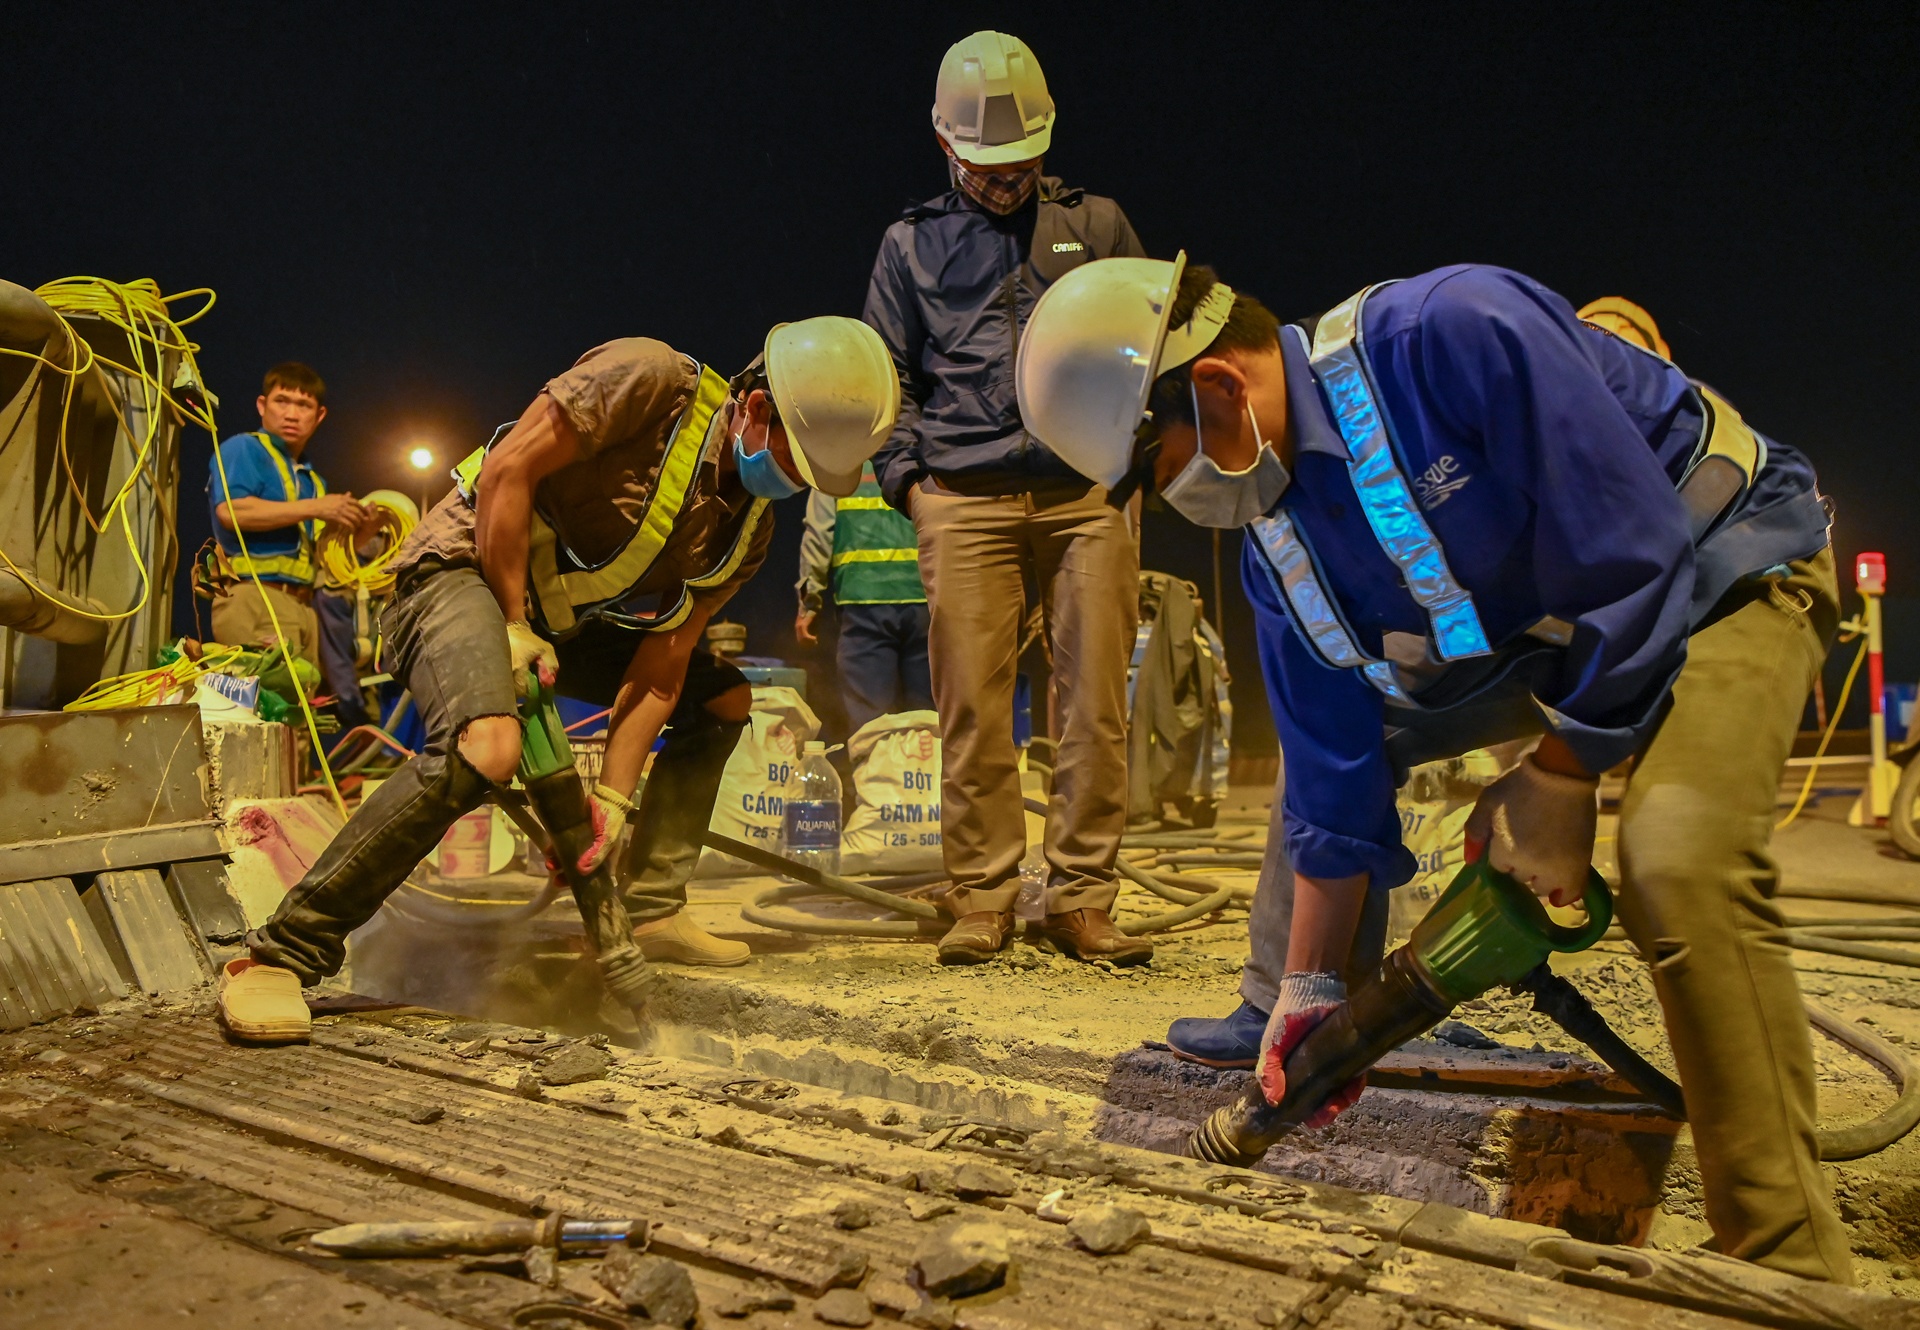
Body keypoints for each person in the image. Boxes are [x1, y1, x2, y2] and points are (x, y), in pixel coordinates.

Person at [1016, 256, 1851, 1282]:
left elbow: (1637, 554)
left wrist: (1558, 775)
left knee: (1679, 861)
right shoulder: (1276, 552)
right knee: (1331, 741)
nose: (1172, 499)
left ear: (1220, 386)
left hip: (1723, 569)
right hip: (1548, 639)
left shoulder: (1452, 332)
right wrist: (1313, 992)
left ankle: (1789, 1265)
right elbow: (1332, 769)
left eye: (1161, 467)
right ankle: (1305, 1012)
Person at [217, 318, 900, 1038]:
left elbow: (662, 670)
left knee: (724, 696)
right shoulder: (649, 379)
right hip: (458, 574)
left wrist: (610, 798)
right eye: (799, 464)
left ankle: (653, 907)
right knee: (487, 746)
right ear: (758, 408)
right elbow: (511, 469)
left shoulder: (745, 528)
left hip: (549, 626)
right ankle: (280, 955)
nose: (795, 485)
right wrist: (511, 626)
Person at [864, 30, 1151, 966]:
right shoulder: (910, 244)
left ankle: (1080, 897)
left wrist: (1130, 467)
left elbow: (1151, 354)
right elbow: (885, 378)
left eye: (1024, 161)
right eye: (987, 164)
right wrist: (913, 485)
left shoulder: (1099, 226)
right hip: (964, 496)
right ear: (946, 146)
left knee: (1093, 703)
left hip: (1086, 499)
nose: (1007, 177)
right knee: (974, 710)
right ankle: (983, 895)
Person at [207, 362, 375, 729]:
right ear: (262, 405)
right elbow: (232, 512)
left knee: (297, 717)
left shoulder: (312, 479)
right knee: (258, 714)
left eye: (304, 405)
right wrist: (318, 507)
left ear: (320, 415)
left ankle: (295, 788)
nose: (292, 413)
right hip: (254, 596)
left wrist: (362, 530)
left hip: (302, 606)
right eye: (282, 401)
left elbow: (321, 556)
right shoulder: (243, 449)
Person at [794, 459, 932, 734]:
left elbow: (819, 535)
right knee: (929, 722)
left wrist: (808, 605)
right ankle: (930, 776)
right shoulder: (923, 452)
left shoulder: (836, 461)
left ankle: (877, 777)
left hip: (863, 603)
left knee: (872, 728)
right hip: (925, 601)